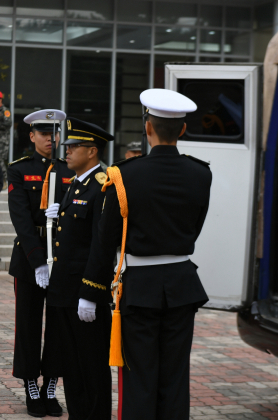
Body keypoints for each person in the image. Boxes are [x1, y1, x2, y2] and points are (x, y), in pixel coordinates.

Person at [84, 89, 212, 420]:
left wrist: (90, 290)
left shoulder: (123, 174)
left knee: (139, 377)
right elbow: (195, 227)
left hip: (140, 287)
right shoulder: (201, 173)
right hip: (183, 284)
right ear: (182, 130)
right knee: (175, 376)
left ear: (147, 128)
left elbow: (106, 239)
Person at [44, 117, 115, 419]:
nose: (67, 151)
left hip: (83, 295)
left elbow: (101, 247)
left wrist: (91, 292)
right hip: (64, 292)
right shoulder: (76, 186)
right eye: (68, 146)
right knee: (70, 364)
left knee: (92, 366)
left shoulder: (103, 187)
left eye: (74, 147)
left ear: (92, 151)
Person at [7, 109, 73, 417]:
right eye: (44, 134)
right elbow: (20, 218)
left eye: (54, 133)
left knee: (60, 325)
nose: (50, 139)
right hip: (30, 258)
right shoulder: (19, 170)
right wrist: (37, 262)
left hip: (61, 258)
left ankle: (51, 384)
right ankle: (31, 382)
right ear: (32, 136)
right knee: (29, 324)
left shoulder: (68, 168)